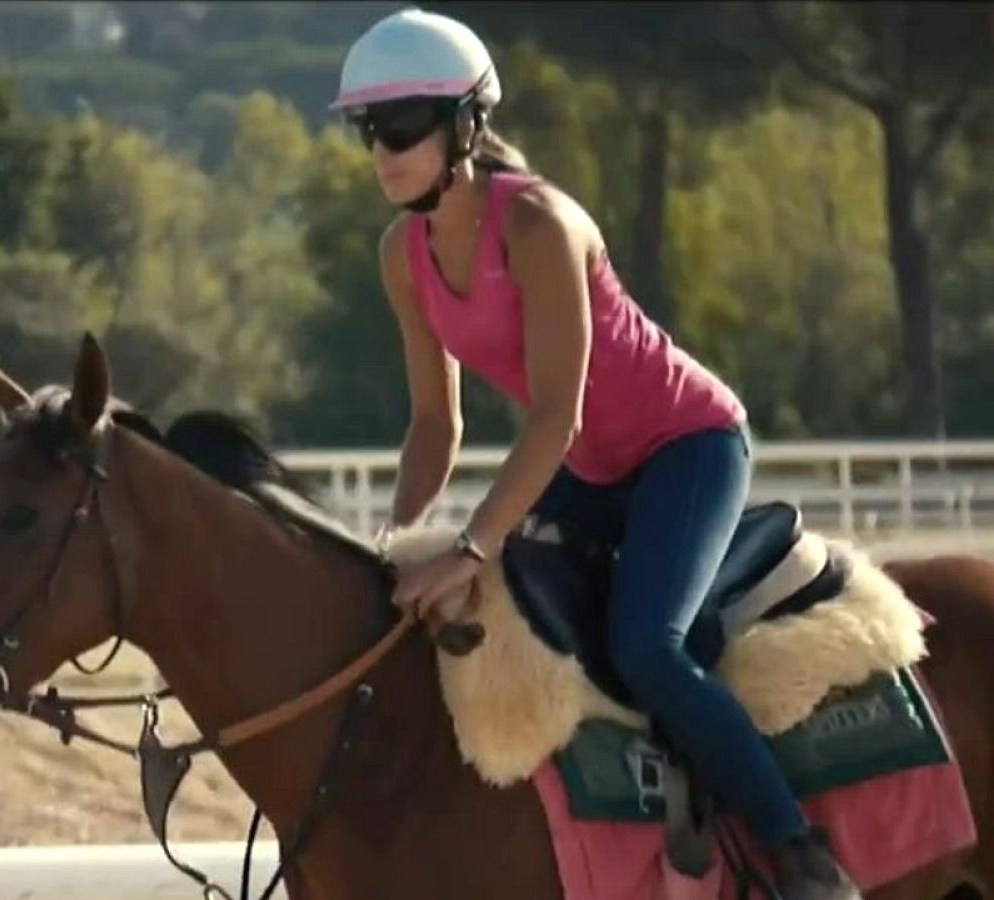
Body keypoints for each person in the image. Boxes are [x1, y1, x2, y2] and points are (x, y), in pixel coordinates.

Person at [333, 9, 859, 900]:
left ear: (464, 125)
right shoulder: (400, 253)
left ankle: (800, 851)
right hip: (590, 471)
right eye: (367, 132)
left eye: (402, 127)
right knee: (506, 621)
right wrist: (398, 547)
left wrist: (469, 547)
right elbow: (435, 424)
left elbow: (555, 421)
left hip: (686, 446)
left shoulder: (540, 224)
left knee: (646, 648)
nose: (383, 151)